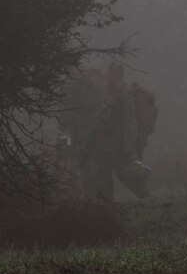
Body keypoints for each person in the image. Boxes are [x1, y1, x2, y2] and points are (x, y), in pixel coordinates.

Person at [64, 62, 151, 202]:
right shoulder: (106, 93)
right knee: (102, 177)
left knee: (128, 176)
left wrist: (132, 155)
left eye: (109, 75)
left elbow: (130, 125)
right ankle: (107, 212)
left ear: (116, 75)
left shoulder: (125, 96)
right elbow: (97, 122)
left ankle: (148, 201)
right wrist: (87, 147)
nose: (106, 77)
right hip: (104, 145)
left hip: (120, 146)